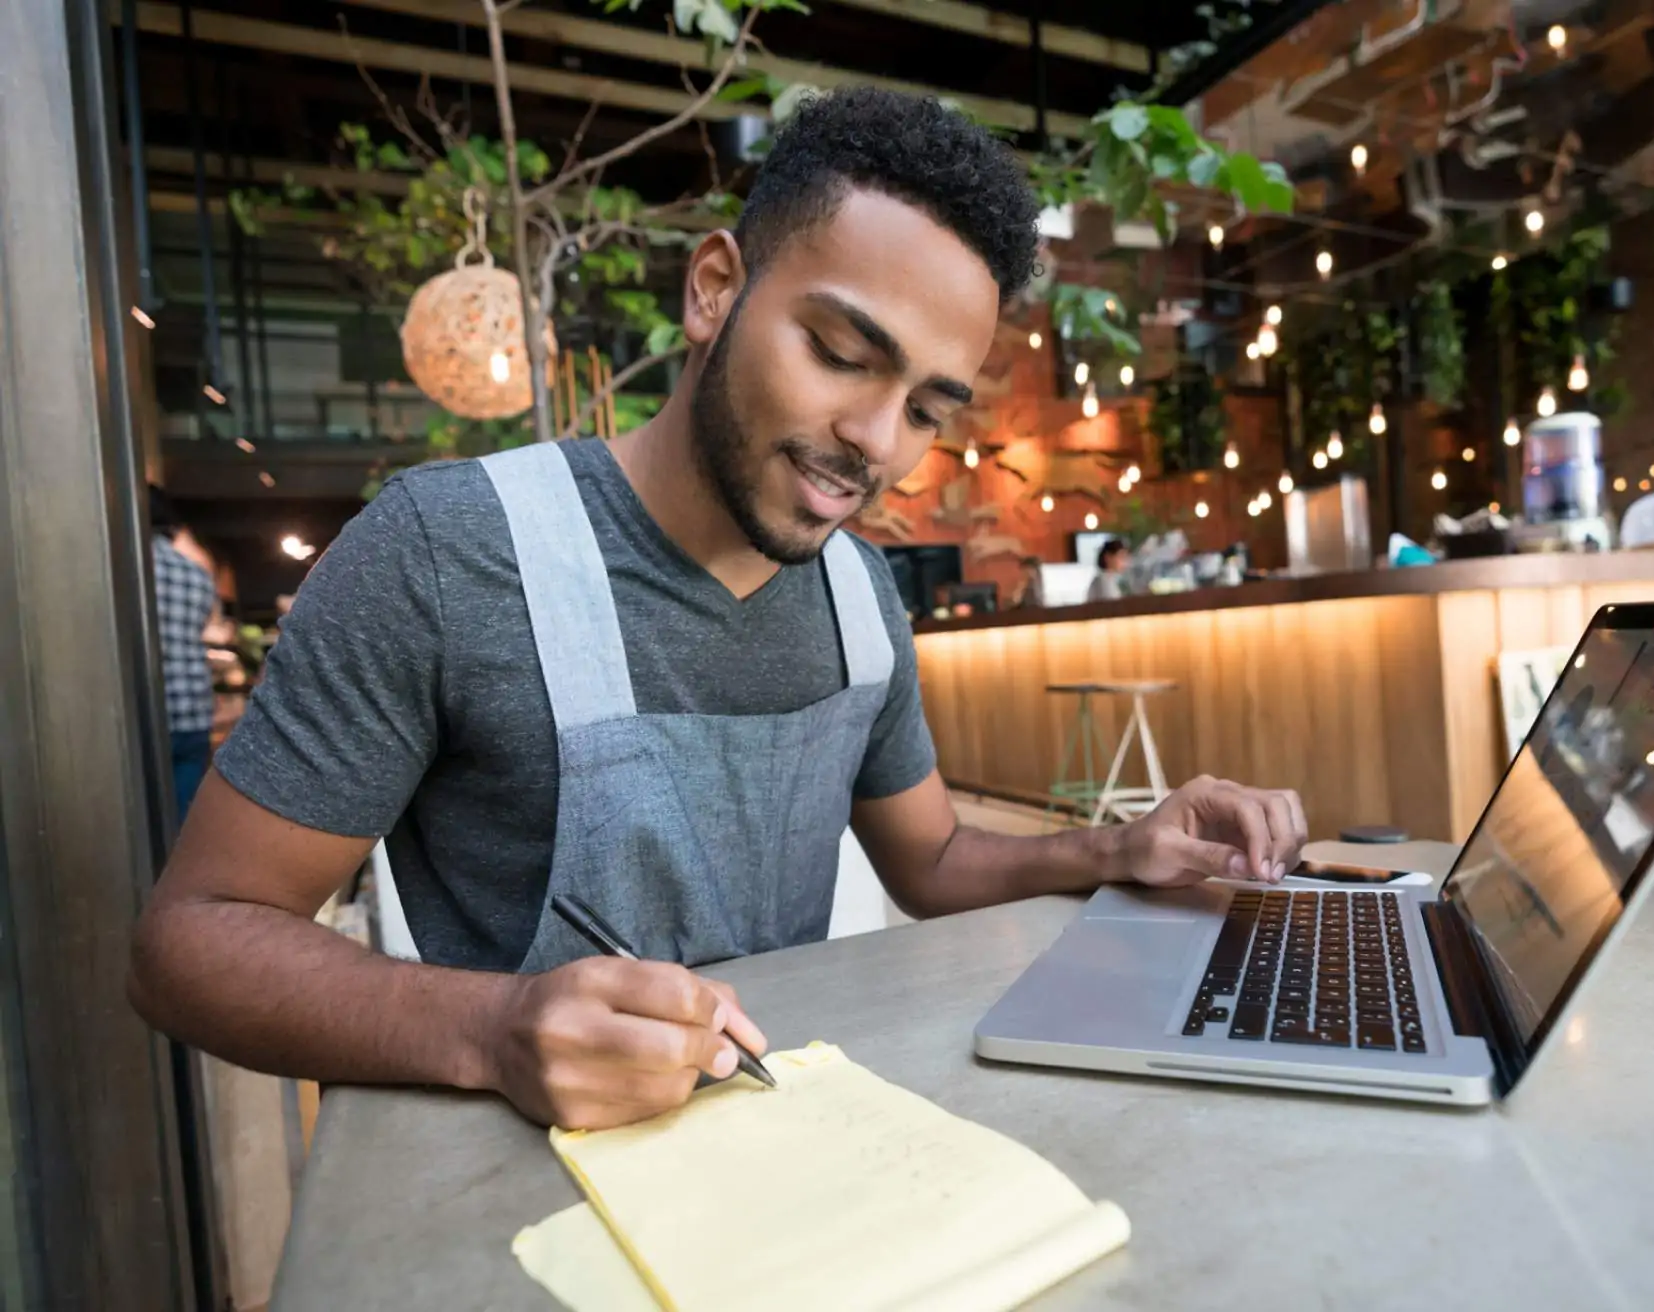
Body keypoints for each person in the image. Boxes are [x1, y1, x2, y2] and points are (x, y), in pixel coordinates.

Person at [128, 89, 1307, 1132]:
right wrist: (495, 1028)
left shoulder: (857, 597)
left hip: (778, 1155)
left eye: (928, 409)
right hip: (504, 1200)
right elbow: (189, 943)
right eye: (844, 352)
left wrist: (1121, 846)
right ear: (714, 288)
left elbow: (932, 858)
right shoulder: (448, 554)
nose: (877, 441)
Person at [149, 485, 219, 821]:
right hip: (191, 705)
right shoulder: (195, 574)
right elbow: (204, 626)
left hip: (144, 709)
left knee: (140, 815)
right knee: (184, 814)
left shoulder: (117, 572)